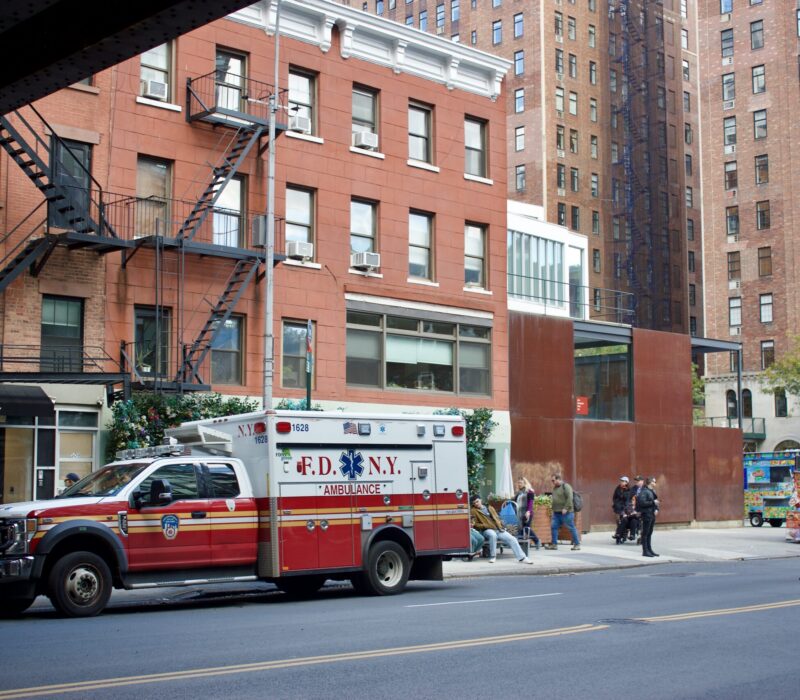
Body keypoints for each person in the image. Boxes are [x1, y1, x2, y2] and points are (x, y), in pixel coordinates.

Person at [470, 496, 533, 564]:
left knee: (512, 539)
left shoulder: (490, 507)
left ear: (480, 500)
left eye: (477, 501)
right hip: (486, 530)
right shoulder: (473, 511)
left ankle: (522, 558)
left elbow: (497, 517)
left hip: (498, 529)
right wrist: (486, 525)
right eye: (474, 503)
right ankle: (493, 556)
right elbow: (475, 524)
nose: (476, 504)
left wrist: (501, 525)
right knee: (493, 535)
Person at [543, 474, 580, 551]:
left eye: (553, 480)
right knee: (554, 527)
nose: (552, 482)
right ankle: (554, 544)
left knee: (571, 527)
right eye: (552, 481)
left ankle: (577, 544)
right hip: (556, 512)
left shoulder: (566, 486)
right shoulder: (555, 488)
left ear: (558, 479)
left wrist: (565, 508)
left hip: (567, 512)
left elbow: (570, 498)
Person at [515, 477, 541, 550]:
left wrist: (528, 511)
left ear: (525, 483)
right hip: (519, 514)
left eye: (520, 483)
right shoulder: (519, 492)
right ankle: (521, 544)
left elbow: (531, 502)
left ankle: (537, 540)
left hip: (527, 513)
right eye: (518, 483)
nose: (519, 484)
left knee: (526, 528)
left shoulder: (530, 492)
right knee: (521, 529)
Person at [637, 476, 660, 557]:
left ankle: (649, 550)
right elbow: (642, 503)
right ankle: (645, 551)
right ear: (650, 482)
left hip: (651, 514)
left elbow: (655, 502)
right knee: (645, 533)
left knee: (649, 533)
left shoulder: (652, 491)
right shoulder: (644, 491)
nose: (655, 483)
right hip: (646, 514)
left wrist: (656, 509)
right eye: (654, 481)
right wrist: (653, 502)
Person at [612, 476, 632, 544]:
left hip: (625, 509)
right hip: (617, 508)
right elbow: (614, 498)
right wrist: (616, 504)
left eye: (623, 481)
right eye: (621, 481)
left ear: (627, 482)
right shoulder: (617, 488)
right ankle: (619, 536)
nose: (622, 482)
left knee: (624, 521)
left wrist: (625, 509)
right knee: (618, 522)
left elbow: (628, 500)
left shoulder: (629, 490)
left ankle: (621, 536)